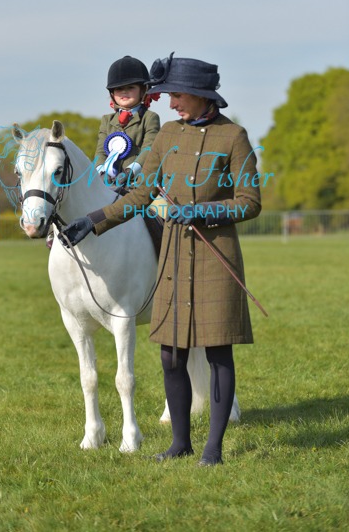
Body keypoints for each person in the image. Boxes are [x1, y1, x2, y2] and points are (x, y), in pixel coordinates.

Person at [60, 52, 261, 467]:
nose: (170, 103)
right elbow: (140, 195)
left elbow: (250, 201)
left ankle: (213, 449)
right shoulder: (168, 134)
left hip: (215, 256)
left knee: (218, 353)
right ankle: (179, 443)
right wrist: (92, 220)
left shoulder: (234, 137)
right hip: (172, 256)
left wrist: (202, 212)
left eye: (177, 96)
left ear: (200, 95)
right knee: (171, 355)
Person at [95, 55, 160, 187]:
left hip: (138, 183)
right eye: (119, 88)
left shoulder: (149, 118)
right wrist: (101, 171)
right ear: (112, 93)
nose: (124, 92)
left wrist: (131, 171)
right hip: (108, 184)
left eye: (131, 87)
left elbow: (149, 148)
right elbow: (100, 151)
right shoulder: (107, 120)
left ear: (143, 90)